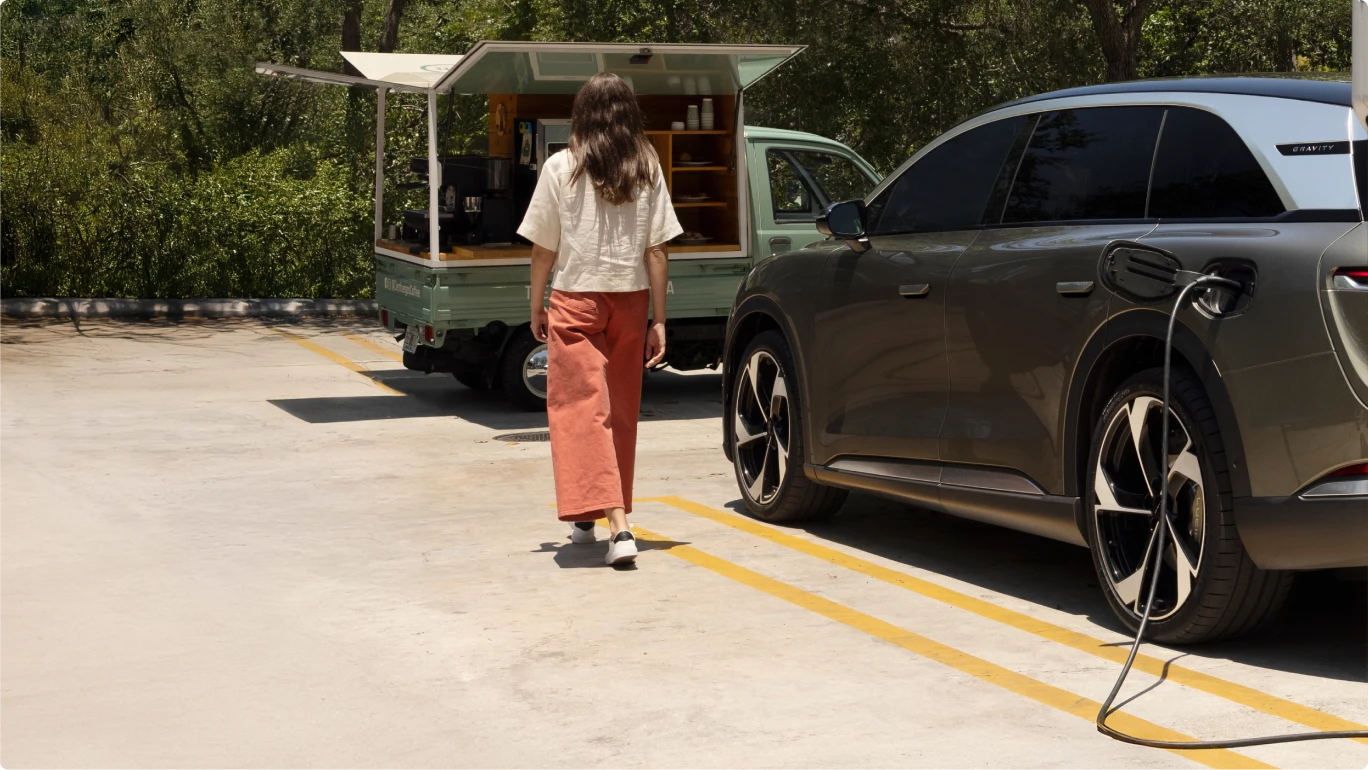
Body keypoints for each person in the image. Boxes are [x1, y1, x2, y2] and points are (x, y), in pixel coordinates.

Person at [517, 72, 683, 566]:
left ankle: (620, 526)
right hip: (630, 302)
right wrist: (659, 318)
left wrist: (536, 303)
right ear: (629, 115)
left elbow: (543, 248)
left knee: (582, 411)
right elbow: (657, 250)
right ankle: (587, 518)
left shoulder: (560, 167)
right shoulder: (647, 166)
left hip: (576, 301)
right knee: (620, 413)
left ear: (581, 116)